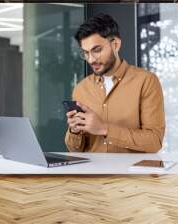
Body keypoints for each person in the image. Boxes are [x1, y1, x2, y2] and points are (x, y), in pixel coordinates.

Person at [65, 13, 166, 153]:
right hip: (91, 173)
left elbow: (154, 142)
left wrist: (104, 128)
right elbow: (75, 150)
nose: (91, 59)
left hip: (130, 174)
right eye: (86, 53)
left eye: (97, 50)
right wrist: (74, 131)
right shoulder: (81, 89)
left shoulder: (146, 81)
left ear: (115, 45)